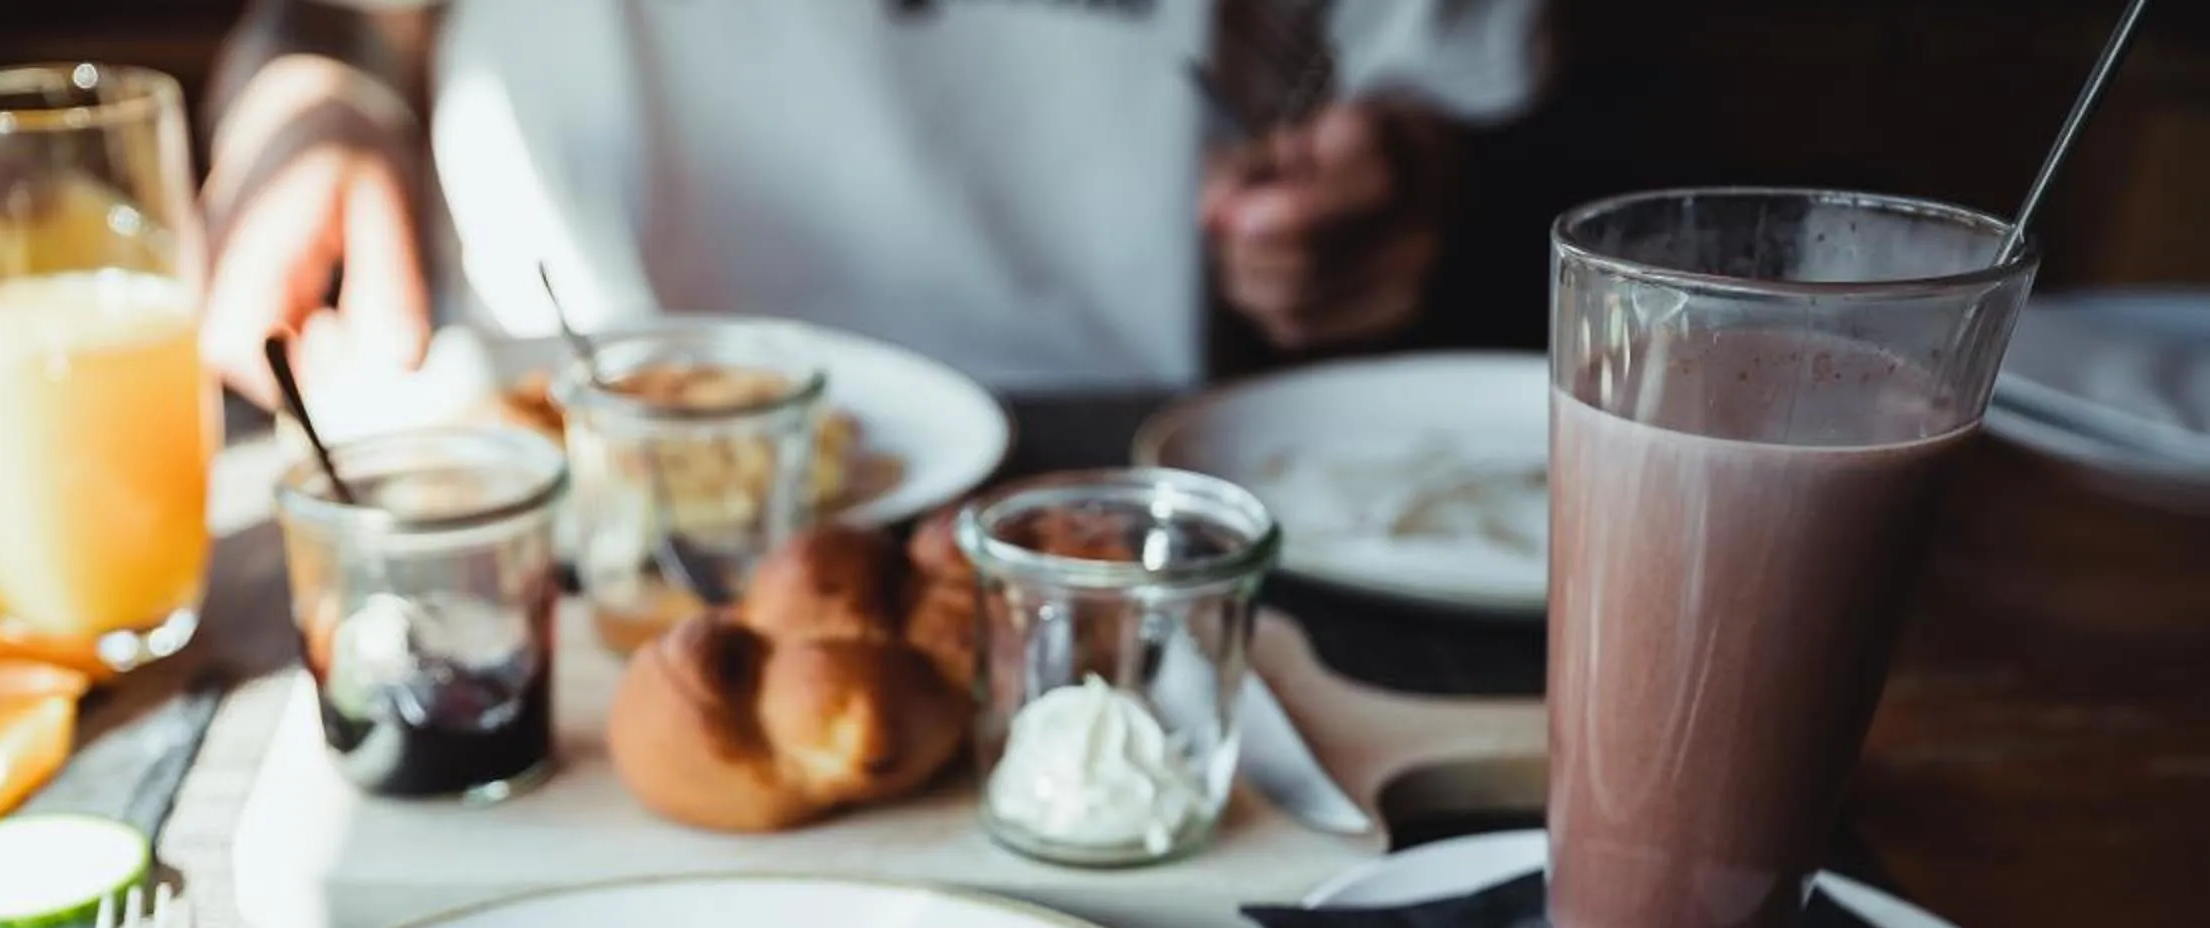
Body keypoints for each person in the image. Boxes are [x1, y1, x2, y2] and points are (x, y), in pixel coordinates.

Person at [199, 0, 1548, 405]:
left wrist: (1382, 202)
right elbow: (332, 18)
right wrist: (310, 107)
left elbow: (1439, 98)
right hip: (544, 439)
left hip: (1128, 457)